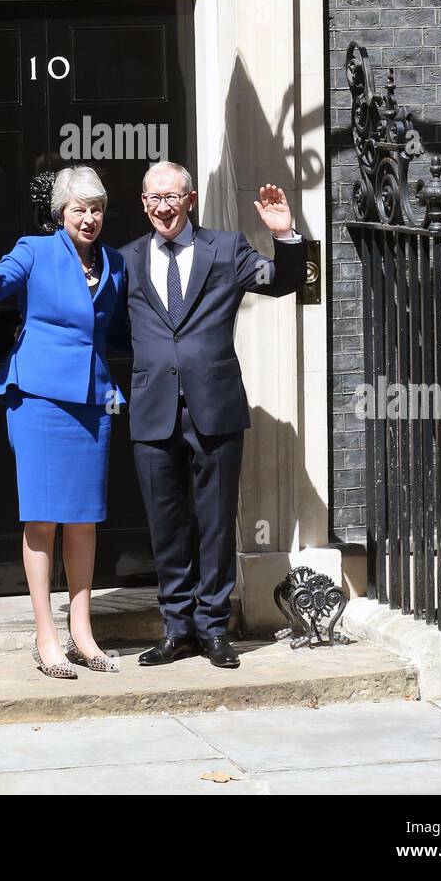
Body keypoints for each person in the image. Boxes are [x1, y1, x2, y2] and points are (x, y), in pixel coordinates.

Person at [120, 161, 307, 669]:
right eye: (153, 198)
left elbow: (283, 281)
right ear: (143, 203)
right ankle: (176, 627)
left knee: (217, 522)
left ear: (191, 199)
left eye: (171, 197)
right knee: (166, 525)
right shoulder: (127, 259)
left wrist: (285, 234)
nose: (163, 206)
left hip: (215, 408)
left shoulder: (224, 249)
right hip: (153, 407)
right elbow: (104, 326)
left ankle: (213, 627)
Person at [0, 166, 129, 678]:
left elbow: (118, 327)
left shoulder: (115, 264)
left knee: (84, 519)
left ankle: (82, 632)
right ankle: (46, 634)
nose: (90, 218)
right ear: (60, 213)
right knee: (43, 517)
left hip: (93, 401)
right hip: (37, 399)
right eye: (80, 209)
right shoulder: (34, 249)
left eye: (97, 208)